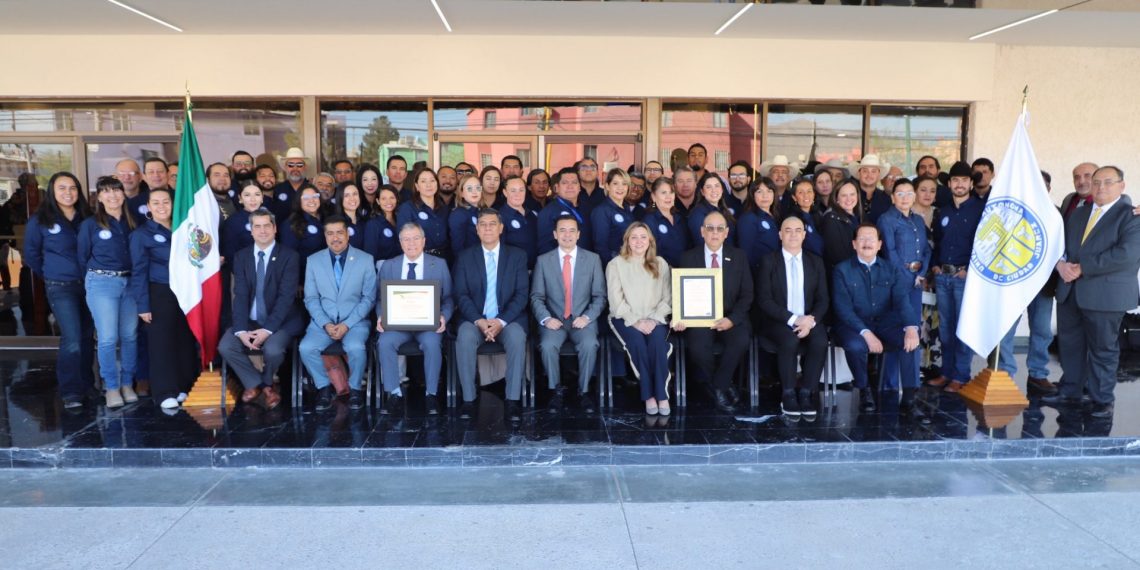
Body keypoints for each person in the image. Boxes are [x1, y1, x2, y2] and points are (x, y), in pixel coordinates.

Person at [1044, 167, 1140, 419]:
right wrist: (1060, 264)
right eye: (1096, 182)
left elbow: (1126, 256)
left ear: (1122, 185)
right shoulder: (1078, 213)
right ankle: (1070, 391)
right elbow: (1060, 246)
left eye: (1108, 182)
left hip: (1105, 295)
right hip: (1070, 291)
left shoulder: (1131, 216)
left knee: (1103, 349)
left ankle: (1101, 400)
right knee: (1071, 345)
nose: (1100, 187)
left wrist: (1082, 268)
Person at [217, 209, 304, 410]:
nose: (262, 230)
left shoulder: (289, 256)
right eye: (257, 226)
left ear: (274, 228)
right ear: (251, 231)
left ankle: (264, 384)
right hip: (250, 320)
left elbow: (286, 298)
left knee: (273, 350)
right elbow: (240, 295)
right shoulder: (241, 257)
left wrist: (267, 330)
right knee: (226, 346)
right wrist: (240, 330)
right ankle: (257, 385)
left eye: (267, 225)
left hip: (281, 322)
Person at [832, 223, 921, 415]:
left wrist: (911, 327)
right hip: (854, 325)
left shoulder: (891, 269)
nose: (867, 243)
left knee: (912, 341)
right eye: (862, 239)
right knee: (855, 346)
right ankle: (864, 390)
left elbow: (902, 300)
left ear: (879, 244)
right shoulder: (842, 270)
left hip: (885, 323)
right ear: (854, 244)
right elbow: (843, 309)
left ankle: (909, 399)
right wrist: (866, 333)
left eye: (871, 239)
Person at [23, 172, 95, 409]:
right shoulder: (40, 219)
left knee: (86, 337)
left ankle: (87, 385)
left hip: (90, 285)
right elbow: (32, 254)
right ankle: (71, 391)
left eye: (73, 188)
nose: (68, 193)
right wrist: (52, 273)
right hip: (61, 286)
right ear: (53, 191)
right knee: (72, 338)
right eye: (62, 188)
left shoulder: (88, 216)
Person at [452, 209, 530, 421]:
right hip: (475, 318)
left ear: (501, 228)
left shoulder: (517, 256)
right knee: (465, 337)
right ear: (477, 230)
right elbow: (461, 294)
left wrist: (500, 321)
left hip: (508, 319)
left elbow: (522, 294)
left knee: (516, 337)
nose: (488, 228)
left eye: (492, 224)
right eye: (483, 224)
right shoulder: (465, 257)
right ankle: (469, 400)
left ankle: (512, 400)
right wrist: (480, 321)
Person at [673, 211, 753, 413]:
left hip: (730, 317)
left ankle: (718, 386)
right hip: (700, 318)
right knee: (697, 348)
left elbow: (747, 294)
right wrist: (681, 315)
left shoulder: (739, 256)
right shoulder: (688, 257)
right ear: (702, 231)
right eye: (710, 228)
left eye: (719, 229)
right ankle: (725, 385)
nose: (714, 233)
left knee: (740, 341)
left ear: (726, 233)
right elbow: (681, 293)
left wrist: (731, 319)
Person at [131, 187, 199, 409]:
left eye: (166, 202)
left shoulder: (183, 229)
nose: (162, 207)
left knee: (183, 340)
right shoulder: (142, 234)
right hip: (159, 292)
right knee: (161, 344)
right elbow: (139, 271)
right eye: (156, 203)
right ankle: (164, 392)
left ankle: (182, 387)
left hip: (185, 292)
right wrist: (143, 305)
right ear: (149, 207)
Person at [754, 215, 829, 420]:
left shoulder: (815, 262)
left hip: (810, 320)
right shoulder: (769, 261)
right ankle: (788, 394)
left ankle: (806, 393)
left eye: (798, 230)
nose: (793, 234)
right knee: (789, 339)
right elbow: (765, 300)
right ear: (780, 235)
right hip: (779, 320)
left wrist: (810, 321)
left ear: (804, 235)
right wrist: (794, 319)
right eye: (788, 230)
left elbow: (823, 299)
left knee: (820, 341)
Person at [299, 215, 376, 411]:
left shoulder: (365, 260)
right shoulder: (313, 261)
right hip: (322, 323)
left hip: (355, 322)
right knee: (306, 348)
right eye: (330, 234)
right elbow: (311, 298)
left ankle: (356, 389)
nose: (335, 238)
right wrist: (325, 323)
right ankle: (324, 388)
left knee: (356, 348)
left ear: (347, 234)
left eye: (340, 233)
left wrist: (347, 324)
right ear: (325, 236)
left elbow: (368, 298)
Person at [376, 222, 452, 416]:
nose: (411, 243)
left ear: (424, 241)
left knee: (433, 344)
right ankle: (394, 394)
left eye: (416, 238)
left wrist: (443, 316)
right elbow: (379, 298)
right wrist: (381, 315)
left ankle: (431, 394)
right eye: (406, 239)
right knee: (384, 342)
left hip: (427, 324)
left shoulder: (439, 264)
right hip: (398, 325)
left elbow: (449, 298)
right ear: (400, 243)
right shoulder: (389, 266)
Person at [531, 215, 606, 413]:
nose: (567, 234)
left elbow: (599, 296)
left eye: (572, 230)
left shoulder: (592, 259)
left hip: (583, 319)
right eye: (562, 230)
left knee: (590, 344)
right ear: (555, 234)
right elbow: (536, 297)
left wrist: (587, 317)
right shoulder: (543, 261)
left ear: (579, 234)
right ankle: (555, 391)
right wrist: (546, 319)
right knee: (547, 346)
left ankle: (584, 391)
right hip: (555, 319)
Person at [78, 176, 138, 409]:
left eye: (116, 190)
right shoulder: (90, 224)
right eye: (106, 192)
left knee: (130, 336)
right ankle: (111, 387)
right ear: (99, 197)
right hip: (102, 283)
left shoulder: (133, 221)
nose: (112, 195)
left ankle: (127, 384)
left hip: (131, 283)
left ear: (123, 194)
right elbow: (82, 258)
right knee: (108, 338)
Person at [876, 178, 930, 417]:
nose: (906, 197)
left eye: (909, 193)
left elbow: (927, 250)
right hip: (897, 283)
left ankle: (910, 390)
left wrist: (921, 273)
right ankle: (889, 386)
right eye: (900, 193)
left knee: (913, 331)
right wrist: (909, 277)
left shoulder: (918, 220)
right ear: (892, 196)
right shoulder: (886, 220)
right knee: (898, 331)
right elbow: (890, 252)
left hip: (916, 282)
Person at [929, 161, 984, 392]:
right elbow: (936, 241)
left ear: (971, 183)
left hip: (965, 277)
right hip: (943, 276)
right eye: (955, 180)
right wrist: (934, 266)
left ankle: (961, 375)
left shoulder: (981, 210)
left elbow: (986, 245)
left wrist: (970, 269)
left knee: (963, 328)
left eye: (964, 180)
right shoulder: (944, 210)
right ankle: (947, 372)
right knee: (946, 328)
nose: (959, 184)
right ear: (949, 183)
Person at [607, 222, 673, 415]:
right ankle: (648, 395)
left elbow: (667, 298)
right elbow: (616, 301)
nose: (638, 241)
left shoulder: (660, 263)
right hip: (624, 318)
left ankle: (662, 395)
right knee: (637, 344)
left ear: (650, 241)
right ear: (627, 241)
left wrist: (653, 320)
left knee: (657, 345)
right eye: (633, 237)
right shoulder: (616, 264)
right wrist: (636, 321)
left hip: (656, 318)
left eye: (643, 237)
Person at [537, 167, 593, 255]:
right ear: (557, 187)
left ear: (579, 187)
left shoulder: (587, 208)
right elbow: (545, 248)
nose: (570, 186)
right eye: (565, 183)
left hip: (586, 262)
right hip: (562, 264)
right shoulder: (548, 212)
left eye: (574, 182)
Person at [396, 168, 449, 259]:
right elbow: (403, 238)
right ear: (417, 186)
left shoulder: (443, 208)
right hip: (419, 258)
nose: (429, 185)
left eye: (432, 180)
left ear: (437, 184)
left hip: (444, 259)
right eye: (423, 181)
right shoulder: (408, 208)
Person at [591, 168, 636, 266]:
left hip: (630, 264)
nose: (620, 188)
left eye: (624, 184)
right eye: (615, 183)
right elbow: (601, 248)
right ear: (607, 186)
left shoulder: (627, 208)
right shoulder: (601, 211)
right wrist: (619, 265)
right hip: (614, 267)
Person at [736, 176, 781, 273]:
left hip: (774, 271)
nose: (765, 196)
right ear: (752, 195)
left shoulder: (775, 216)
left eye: (769, 191)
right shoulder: (748, 219)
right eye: (759, 192)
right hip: (758, 273)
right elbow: (745, 254)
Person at [643, 177, 690, 268]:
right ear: (653, 196)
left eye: (671, 192)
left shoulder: (680, 218)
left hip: (683, 273)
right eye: (663, 193)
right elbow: (649, 253)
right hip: (661, 273)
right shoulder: (649, 221)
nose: (668, 197)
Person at [279, 186, 326, 276]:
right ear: (298, 201)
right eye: (306, 198)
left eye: (315, 196)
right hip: (305, 276)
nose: (311, 200)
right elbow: (289, 255)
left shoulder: (326, 217)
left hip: (326, 273)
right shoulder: (291, 223)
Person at [819, 179, 861, 275]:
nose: (849, 199)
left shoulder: (857, 216)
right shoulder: (830, 220)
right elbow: (837, 256)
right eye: (844, 195)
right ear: (836, 198)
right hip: (844, 275)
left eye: (852, 194)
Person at [688, 172, 737, 249]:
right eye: (708, 187)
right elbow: (702, 245)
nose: (714, 190)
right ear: (702, 192)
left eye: (717, 186)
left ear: (722, 189)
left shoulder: (723, 210)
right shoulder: (697, 214)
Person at [499, 176, 538, 270]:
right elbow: (500, 250)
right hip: (514, 271)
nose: (518, 194)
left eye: (521, 190)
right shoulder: (500, 217)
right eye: (513, 190)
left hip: (536, 270)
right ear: (505, 192)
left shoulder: (533, 214)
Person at [221, 183, 264, 265]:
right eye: (247, 195)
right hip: (244, 272)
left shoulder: (270, 218)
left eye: (257, 194)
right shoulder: (233, 222)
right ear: (240, 198)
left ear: (262, 198)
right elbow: (230, 254)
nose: (253, 199)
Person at [362, 185, 401, 264]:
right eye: (384, 199)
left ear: (397, 199)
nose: (388, 202)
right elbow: (370, 254)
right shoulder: (373, 224)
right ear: (378, 201)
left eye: (392, 198)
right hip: (383, 270)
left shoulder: (401, 220)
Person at [785, 179, 823, 257]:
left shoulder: (817, 215)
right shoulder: (792, 220)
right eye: (801, 192)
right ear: (794, 197)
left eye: (809, 191)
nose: (806, 195)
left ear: (814, 194)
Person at [849, 155, 892, 223]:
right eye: (865, 171)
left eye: (873, 171)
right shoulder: (849, 196)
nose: (869, 175)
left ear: (878, 175)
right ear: (859, 173)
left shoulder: (886, 199)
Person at [270, 147, 310, 221]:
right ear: (285, 167)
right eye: (291, 165)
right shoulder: (277, 189)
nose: (295, 168)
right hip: (282, 231)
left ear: (305, 167)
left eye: (299, 165)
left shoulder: (312, 188)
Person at [449, 174, 482, 256]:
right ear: (461, 193)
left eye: (478, 188)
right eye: (469, 188)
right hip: (468, 262)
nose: (474, 191)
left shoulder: (483, 212)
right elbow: (457, 246)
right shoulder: (459, 214)